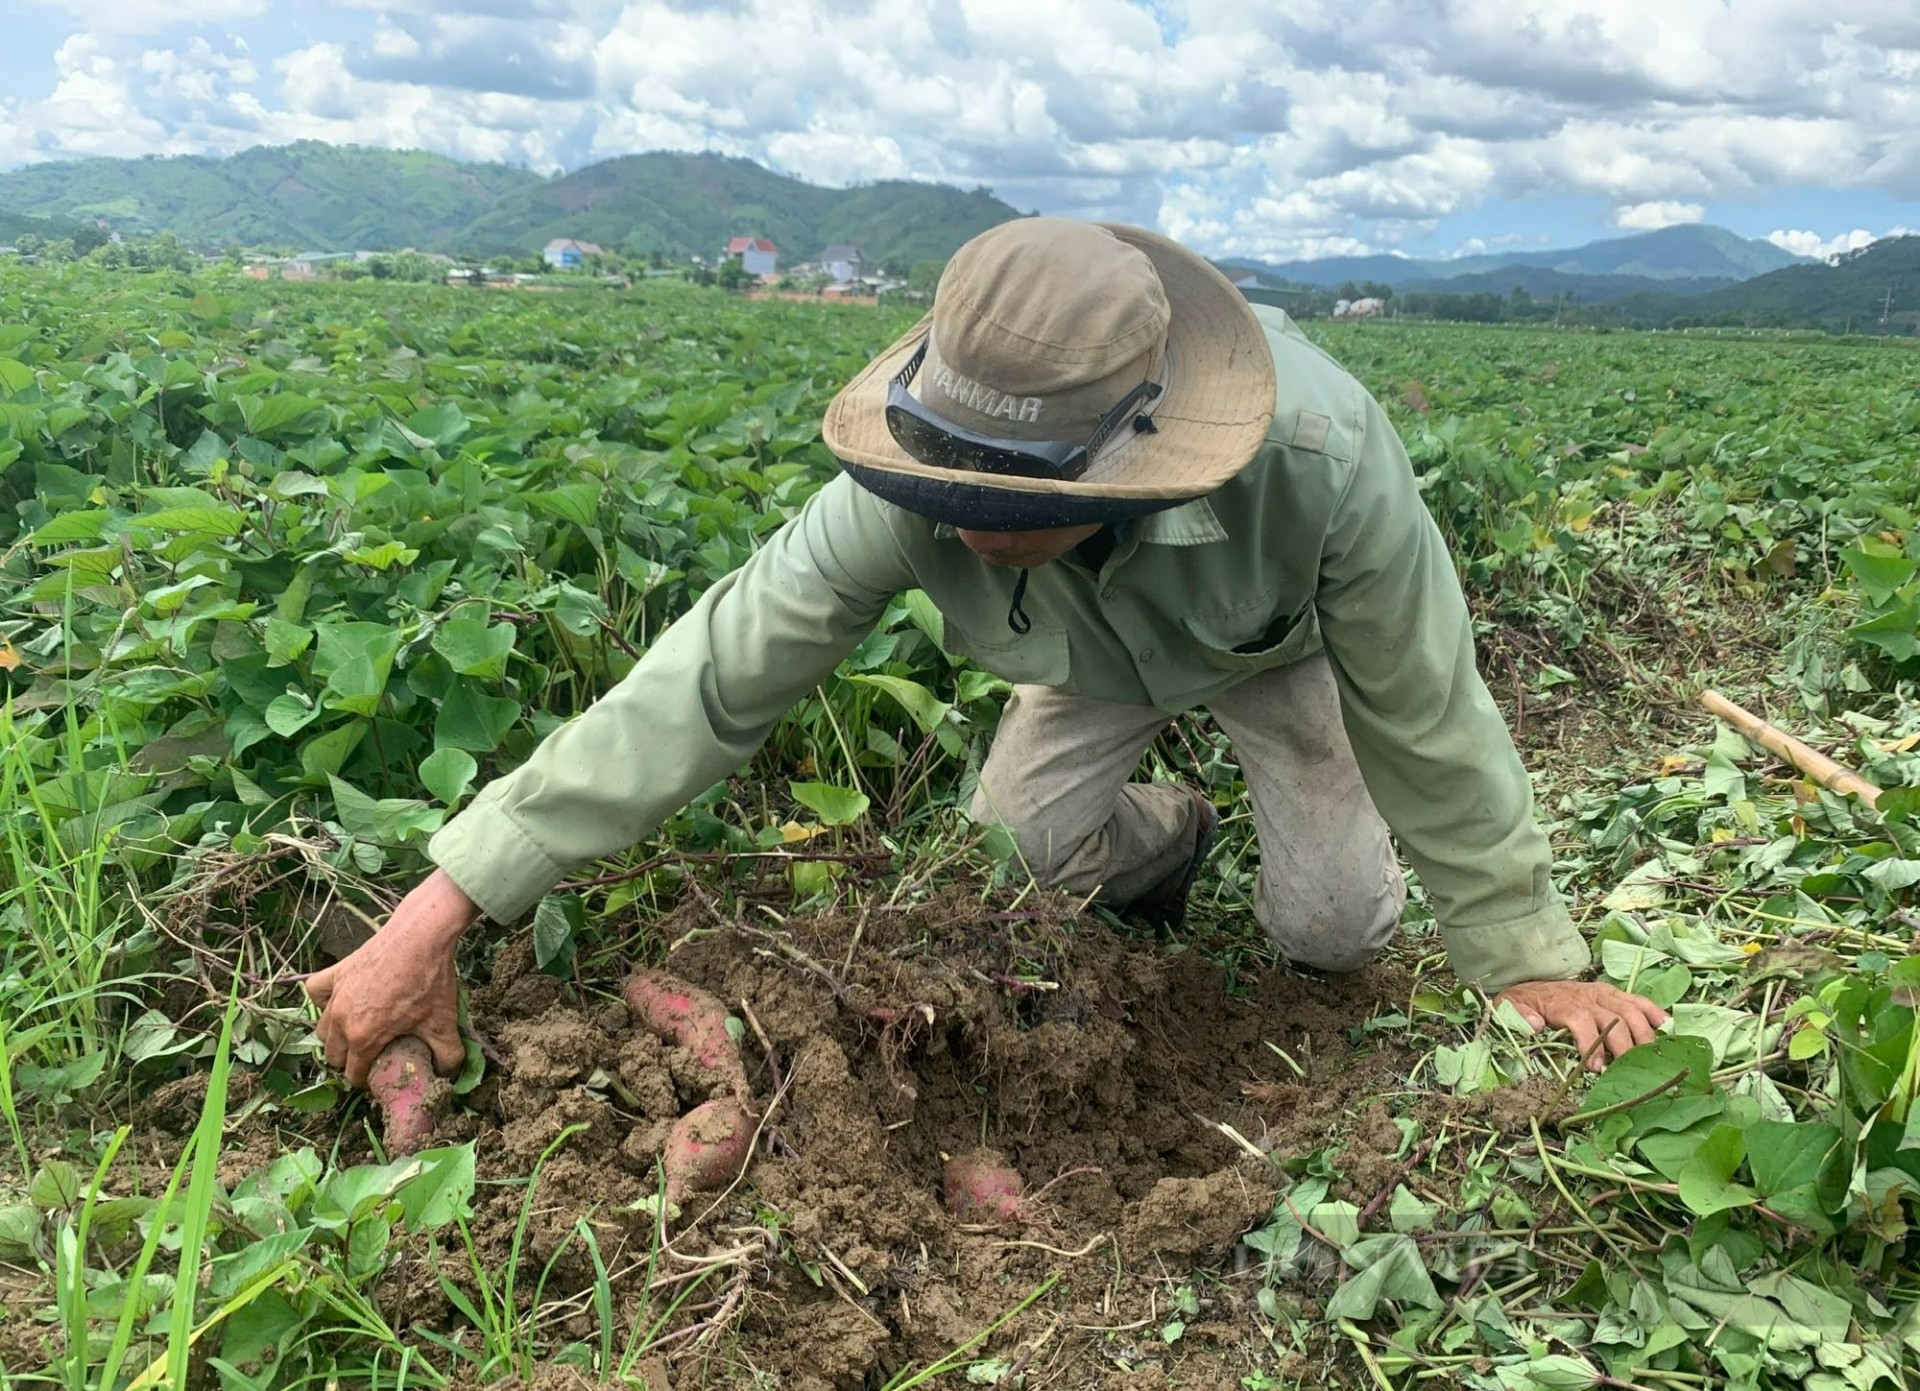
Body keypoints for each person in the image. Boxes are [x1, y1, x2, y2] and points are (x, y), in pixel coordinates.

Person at [307, 218, 1668, 1087]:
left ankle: (1283, 855)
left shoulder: (1317, 462)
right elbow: (710, 679)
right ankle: (1170, 834)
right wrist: (437, 915)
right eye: (954, 491)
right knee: (1010, 865)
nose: (975, 527)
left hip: (1270, 647)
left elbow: (1425, 706)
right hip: (1080, 658)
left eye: (1017, 500)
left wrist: (1521, 951)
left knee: (1332, 933)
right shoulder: (914, 488)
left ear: (1136, 445)